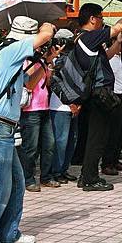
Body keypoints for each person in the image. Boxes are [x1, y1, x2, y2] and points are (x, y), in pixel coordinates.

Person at [0, 16, 54, 243]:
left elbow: (28, 84)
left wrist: (46, 60)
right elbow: (45, 34)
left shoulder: (13, 61)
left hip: (5, 130)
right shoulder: (10, 49)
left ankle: (9, 233)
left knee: (16, 184)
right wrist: (47, 28)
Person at [75, 3, 122, 191]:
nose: (102, 22)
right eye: (100, 18)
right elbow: (119, 26)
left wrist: (118, 43)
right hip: (99, 95)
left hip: (97, 94)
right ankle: (90, 178)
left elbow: (105, 57)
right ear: (92, 19)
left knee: (96, 136)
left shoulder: (86, 41)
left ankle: (86, 175)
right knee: (97, 138)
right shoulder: (89, 36)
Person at [18, 47, 60, 192]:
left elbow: (47, 83)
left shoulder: (42, 62)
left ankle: (46, 177)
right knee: (31, 147)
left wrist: (49, 63)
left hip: (45, 108)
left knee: (49, 144)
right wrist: (44, 63)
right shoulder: (26, 62)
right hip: (30, 110)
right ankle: (28, 179)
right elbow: (30, 83)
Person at [48, 29, 80, 184]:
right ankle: (56, 171)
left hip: (73, 105)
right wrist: (71, 103)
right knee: (60, 141)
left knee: (71, 140)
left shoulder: (72, 59)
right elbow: (55, 84)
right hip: (59, 106)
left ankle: (64, 169)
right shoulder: (52, 60)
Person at [101, 28, 122, 175]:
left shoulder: (121, 58)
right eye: (121, 42)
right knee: (111, 132)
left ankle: (115, 159)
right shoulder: (108, 57)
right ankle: (107, 163)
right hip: (112, 96)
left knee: (120, 131)